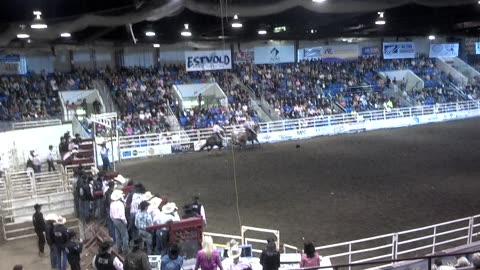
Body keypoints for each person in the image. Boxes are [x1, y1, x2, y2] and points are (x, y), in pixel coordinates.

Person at [110, 189, 129, 255]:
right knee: (124, 236)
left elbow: (111, 215)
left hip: (114, 220)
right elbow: (122, 215)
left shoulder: (112, 204)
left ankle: (119, 249)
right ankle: (125, 250)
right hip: (120, 220)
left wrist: (113, 220)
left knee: (117, 235)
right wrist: (125, 222)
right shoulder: (120, 204)